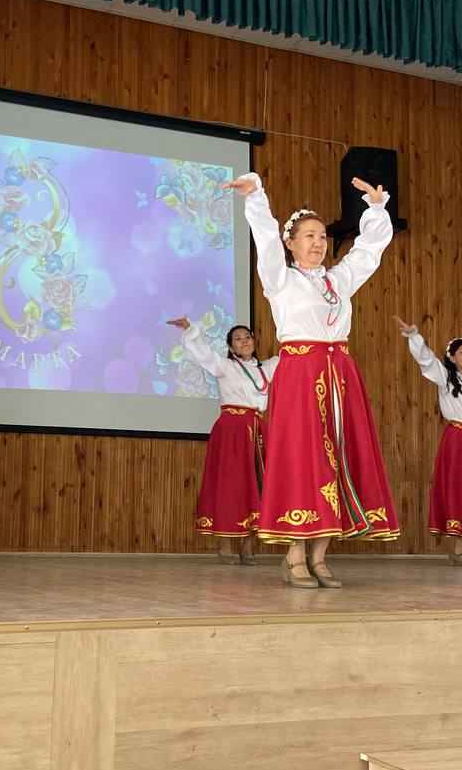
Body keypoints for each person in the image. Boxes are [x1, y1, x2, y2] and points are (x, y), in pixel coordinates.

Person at [222, 171, 398, 589]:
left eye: (322, 236)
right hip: (301, 375)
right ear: (291, 243)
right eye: (308, 236)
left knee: (339, 459)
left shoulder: (338, 281)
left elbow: (368, 251)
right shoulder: (281, 279)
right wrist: (256, 197)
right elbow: (265, 239)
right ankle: (295, 554)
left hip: (340, 376)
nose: (318, 243)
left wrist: (376, 209)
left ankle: (320, 556)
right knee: (304, 460)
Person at [168, 318, 278, 564]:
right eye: (238, 338)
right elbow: (203, 353)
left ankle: (248, 546)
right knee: (230, 485)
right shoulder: (225, 366)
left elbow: (292, 358)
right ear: (230, 347)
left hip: (257, 430)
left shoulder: (267, 368)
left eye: (247, 337)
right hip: (232, 429)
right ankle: (225, 544)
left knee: (258, 485)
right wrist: (190, 330)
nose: (244, 341)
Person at [395, 319, 462, 565]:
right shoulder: (446, 379)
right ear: (452, 357)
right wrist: (413, 336)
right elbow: (426, 360)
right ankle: (458, 550)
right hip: (458, 441)